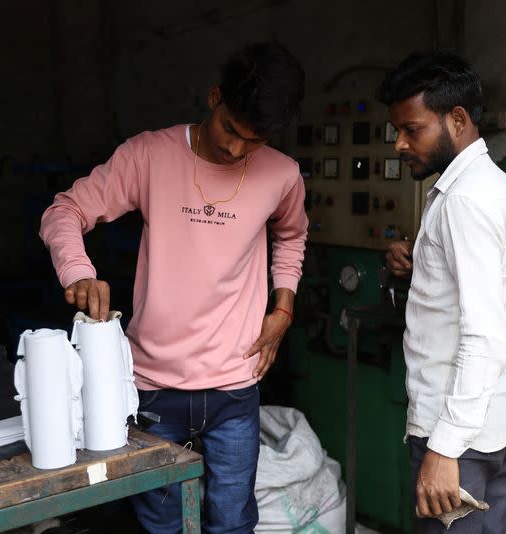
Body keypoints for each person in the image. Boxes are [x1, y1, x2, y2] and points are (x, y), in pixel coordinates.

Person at [40, 42, 308, 533]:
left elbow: (291, 235)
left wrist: (283, 306)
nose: (234, 149)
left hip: (236, 387)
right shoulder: (148, 155)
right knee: (160, 526)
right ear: (214, 97)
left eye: (253, 141)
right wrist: (77, 270)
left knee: (232, 522)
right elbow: (64, 210)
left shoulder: (283, 174)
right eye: (230, 128)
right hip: (154, 391)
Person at [377, 51, 506, 534]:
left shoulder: (465, 200)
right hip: (486, 426)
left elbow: (483, 334)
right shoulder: (488, 185)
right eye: (396, 131)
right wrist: (418, 261)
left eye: (412, 129)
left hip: (458, 435)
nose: (400, 144)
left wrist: (445, 448)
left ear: (457, 119)